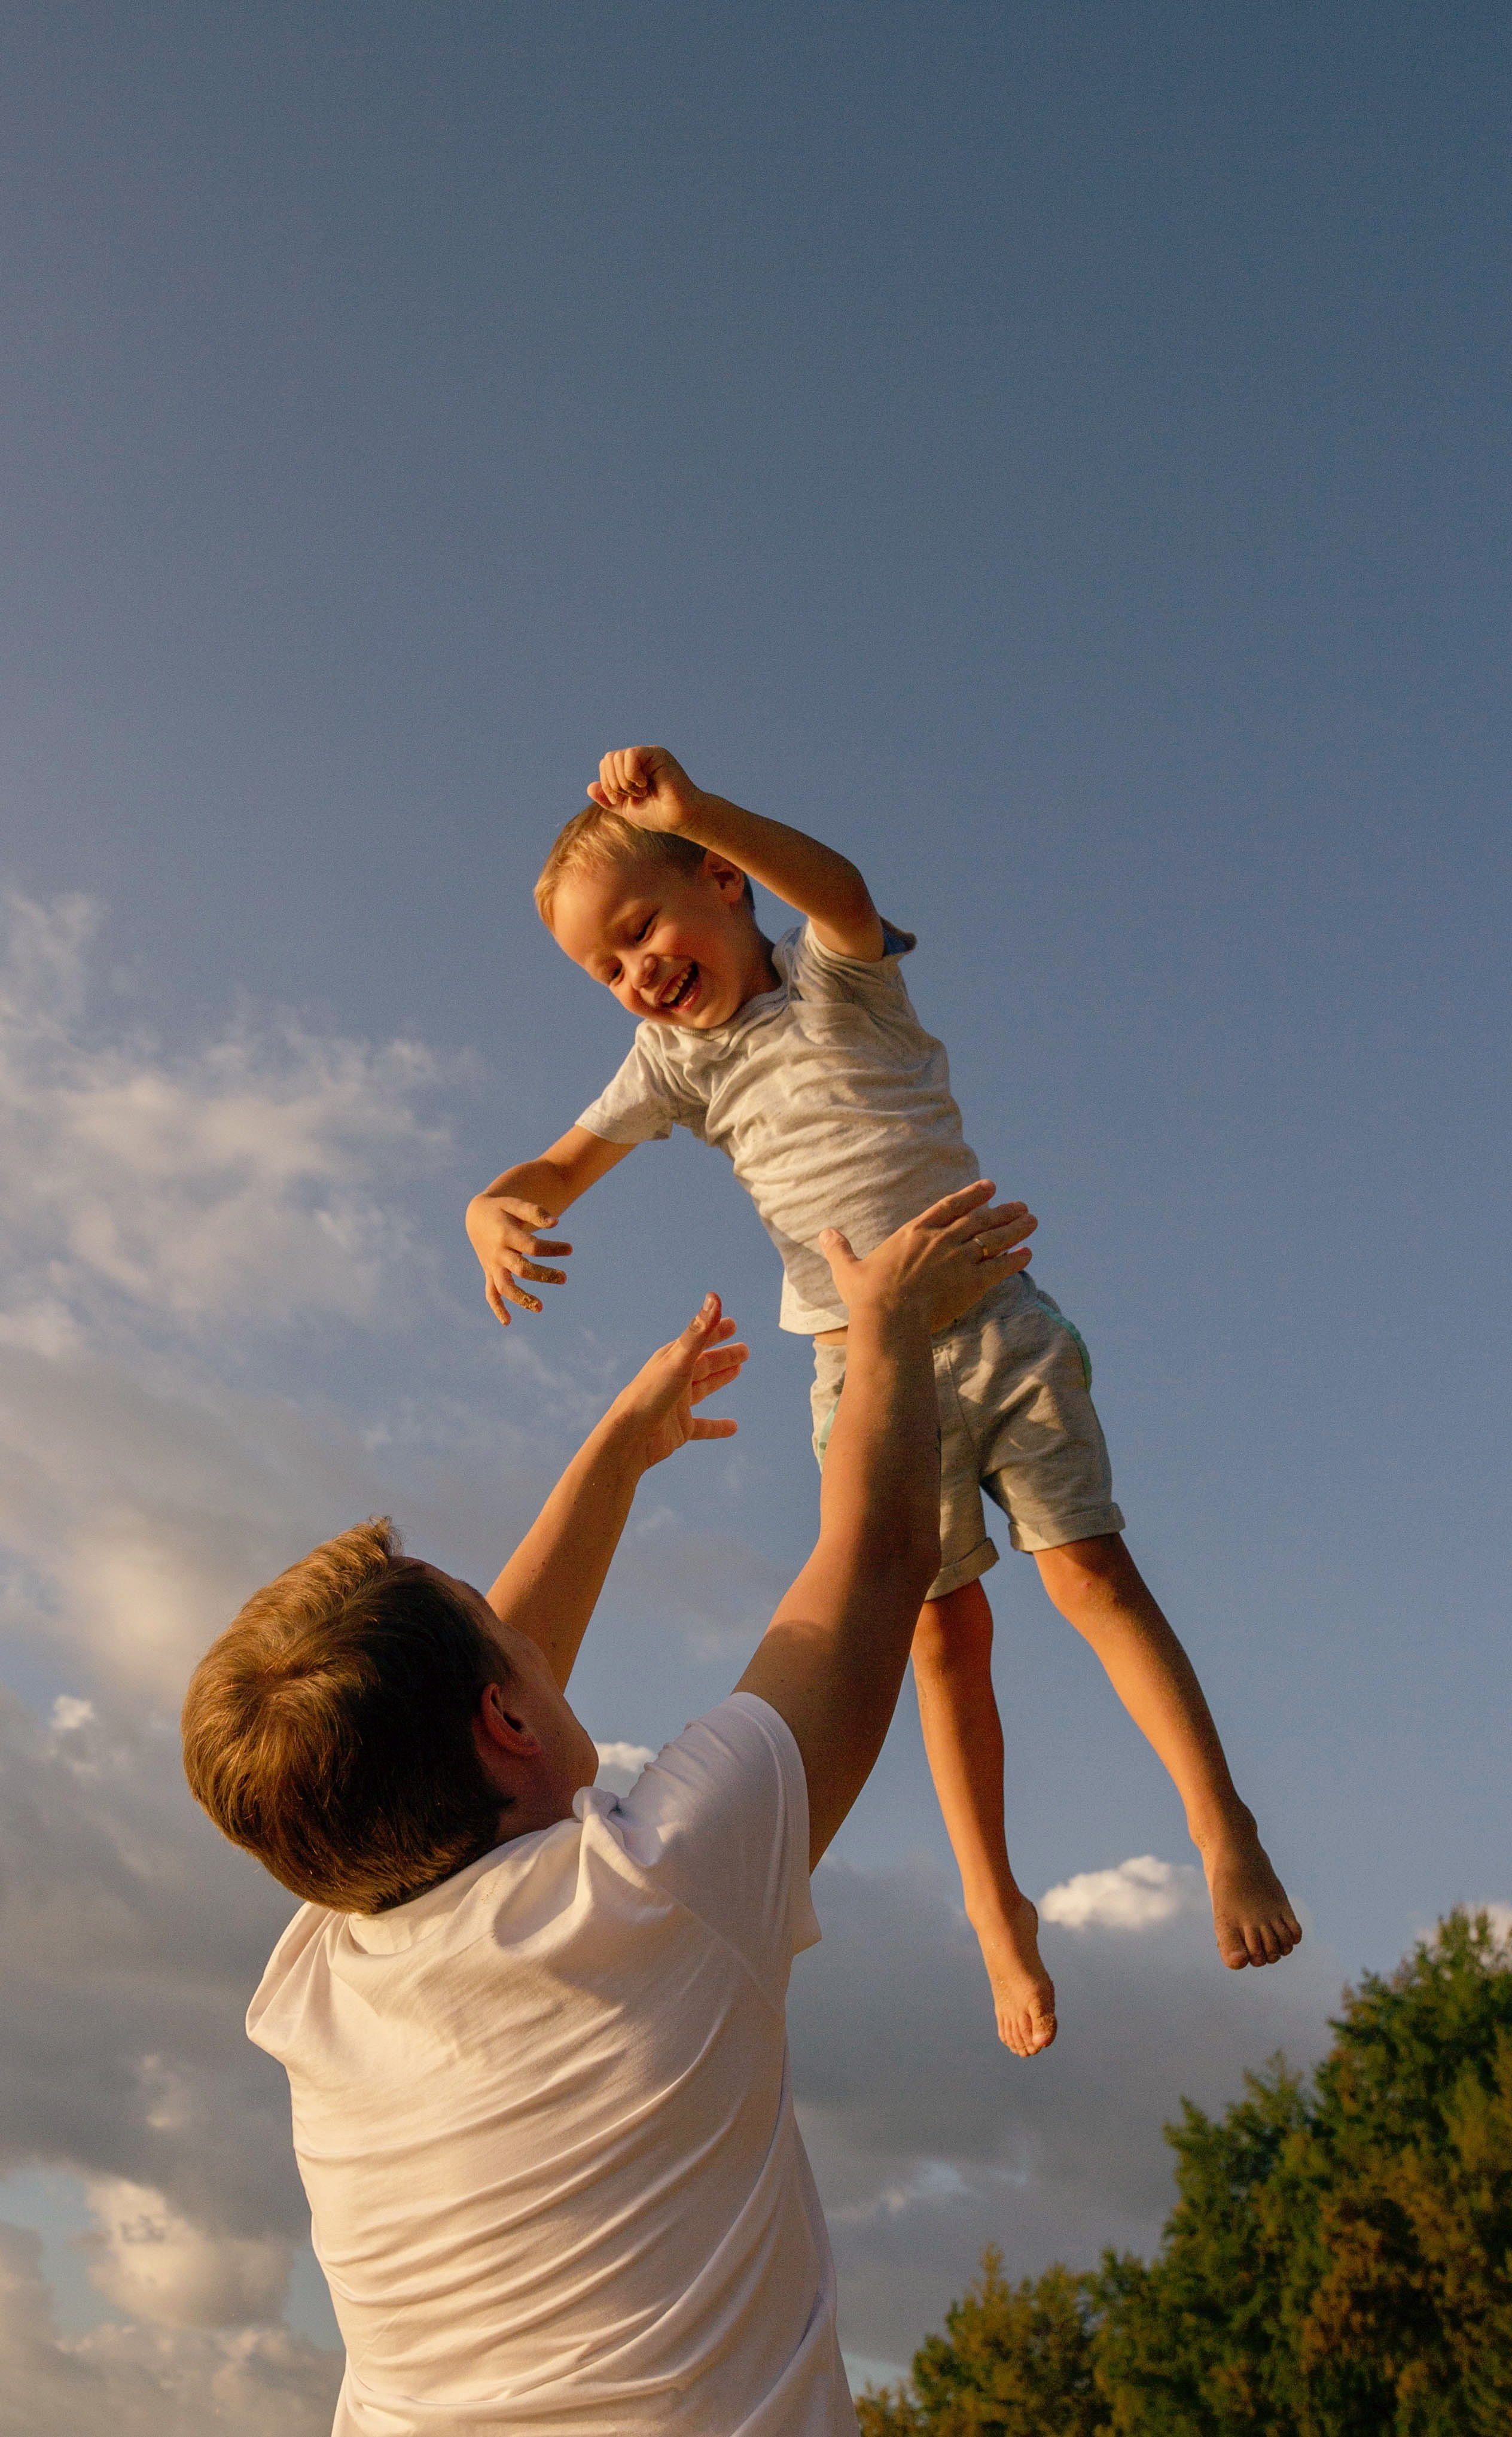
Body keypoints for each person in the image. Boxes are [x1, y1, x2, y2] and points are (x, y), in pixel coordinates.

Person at [465, 745, 1301, 2057]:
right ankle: (992, 1906)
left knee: (1089, 1576)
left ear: (725, 884)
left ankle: (1219, 1825)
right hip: (859, 1369)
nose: (636, 973)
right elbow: (556, 1168)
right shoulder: (672, 1067)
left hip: (996, 1329)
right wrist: (493, 1204)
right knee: (935, 1638)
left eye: (643, 929)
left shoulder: (834, 983)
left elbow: (844, 890)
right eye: (604, 969)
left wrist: (695, 810)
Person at [181, 1184, 1031, 2437]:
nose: (528, 1638)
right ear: (510, 1722)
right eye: (497, 1629)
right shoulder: (656, 1889)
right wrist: (887, 1326)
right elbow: (874, 1564)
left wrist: (624, 1450)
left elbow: (459, 1701)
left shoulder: (319, 1976)